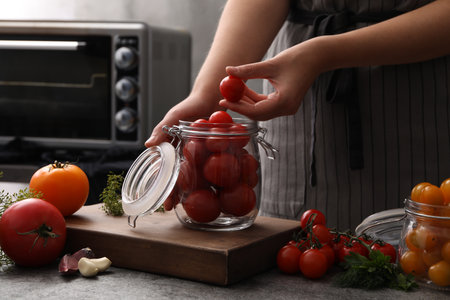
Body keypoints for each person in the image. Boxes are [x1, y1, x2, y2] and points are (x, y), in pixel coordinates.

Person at [146, 0, 450, 230]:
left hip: (415, 100)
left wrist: (324, 54)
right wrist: (207, 94)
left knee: (416, 253)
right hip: (295, 107)